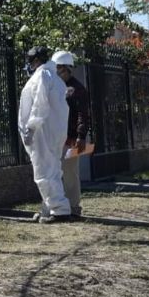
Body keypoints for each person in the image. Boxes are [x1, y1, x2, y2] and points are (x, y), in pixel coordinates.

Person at [18, 46, 72, 224]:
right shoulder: (55, 78)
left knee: (44, 173)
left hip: (43, 131)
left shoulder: (41, 76)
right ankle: (48, 208)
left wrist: (31, 127)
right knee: (53, 170)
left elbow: (39, 104)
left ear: (35, 61)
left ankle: (60, 210)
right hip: (54, 131)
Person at [52, 50, 91, 217]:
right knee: (56, 173)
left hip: (71, 139)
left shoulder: (77, 89)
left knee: (70, 174)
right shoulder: (57, 87)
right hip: (57, 137)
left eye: (60, 68)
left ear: (67, 69)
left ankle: (74, 207)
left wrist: (81, 136)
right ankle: (60, 206)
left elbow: (83, 114)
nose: (57, 71)